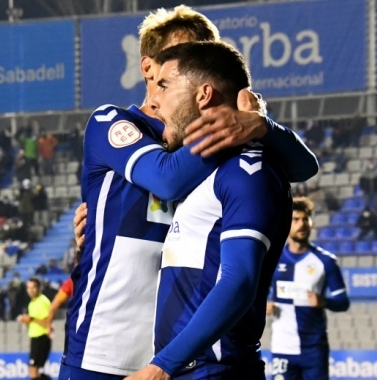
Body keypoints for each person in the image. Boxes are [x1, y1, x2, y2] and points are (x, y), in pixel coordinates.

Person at [63, 7, 318, 380]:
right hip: (104, 345)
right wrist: (235, 123)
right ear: (150, 68)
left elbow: (303, 168)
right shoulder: (114, 123)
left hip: (175, 350)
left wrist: (260, 126)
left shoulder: (229, 149)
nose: (196, 62)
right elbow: (166, 179)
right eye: (181, 56)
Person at [123, 40, 293, 379]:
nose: (154, 102)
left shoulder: (247, 171)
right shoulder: (207, 171)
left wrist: (161, 367)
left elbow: (239, 281)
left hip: (214, 371)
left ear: (203, 95)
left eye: (165, 86)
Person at [266, 198, 350, 380]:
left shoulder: (326, 261)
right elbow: (257, 293)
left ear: (312, 223)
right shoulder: (272, 259)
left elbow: (343, 302)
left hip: (314, 349)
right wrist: (265, 305)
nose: (301, 224)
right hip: (283, 346)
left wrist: (323, 302)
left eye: (305, 219)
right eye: (295, 220)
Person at [18, 278, 52, 380]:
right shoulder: (32, 303)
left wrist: (31, 318)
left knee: (33, 369)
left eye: (33, 287)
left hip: (41, 337)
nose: (30, 290)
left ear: (38, 288)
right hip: (35, 338)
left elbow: (47, 322)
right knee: (34, 371)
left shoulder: (42, 301)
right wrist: (26, 321)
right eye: (28, 288)